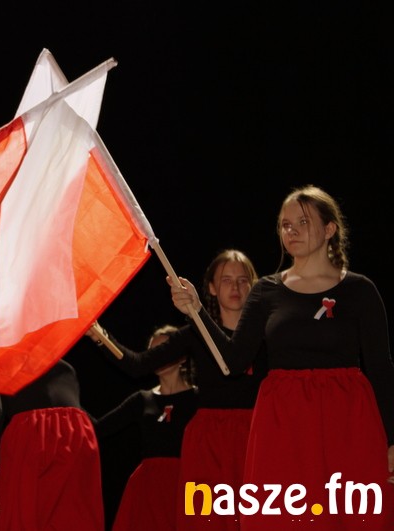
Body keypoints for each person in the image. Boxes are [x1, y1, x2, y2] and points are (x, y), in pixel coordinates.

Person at [169, 185, 394, 530]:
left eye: (302, 222)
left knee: (350, 515)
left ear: (329, 229)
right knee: (285, 516)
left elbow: (381, 368)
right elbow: (233, 361)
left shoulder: (360, 290)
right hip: (284, 423)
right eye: (285, 225)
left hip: (347, 420)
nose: (292, 231)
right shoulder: (266, 291)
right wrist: (197, 312)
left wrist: (392, 440)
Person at [89, 248, 264, 531]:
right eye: (226, 280)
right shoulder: (195, 334)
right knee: (207, 523)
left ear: (253, 285)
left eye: (243, 280)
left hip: (254, 436)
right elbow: (137, 365)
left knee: (256, 520)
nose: (235, 287)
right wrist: (99, 335)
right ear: (211, 287)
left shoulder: (266, 334)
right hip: (209, 443)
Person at [0, 358, 104, 530]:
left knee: (25, 518)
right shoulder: (67, 368)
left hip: (30, 436)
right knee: (75, 517)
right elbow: (91, 421)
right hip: (77, 434)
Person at [96, 325, 198, 531]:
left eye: (164, 350)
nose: (157, 357)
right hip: (149, 488)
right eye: (153, 352)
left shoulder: (200, 399)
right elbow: (98, 429)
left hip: (189, 486)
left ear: (182, 357)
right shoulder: (142, 400)